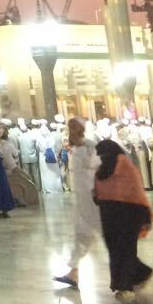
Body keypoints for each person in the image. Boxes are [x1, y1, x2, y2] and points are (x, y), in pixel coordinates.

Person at [93, 139, 153, 301]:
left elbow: (136, 194)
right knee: (119, 251)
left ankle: (125, 287)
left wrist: (145, 216)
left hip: (127, 215)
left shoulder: (123, 168)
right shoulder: (104, 170)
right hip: (114, 216)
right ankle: (141, 273)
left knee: (123, 251)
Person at [54, 117, 100, 289]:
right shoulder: (76, 147)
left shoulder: (89, 146)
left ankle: (132, 272)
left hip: (92, 197)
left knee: (104, 235)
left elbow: (97, 166)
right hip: (81, 197)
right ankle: (73, 273)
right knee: (82, 235)